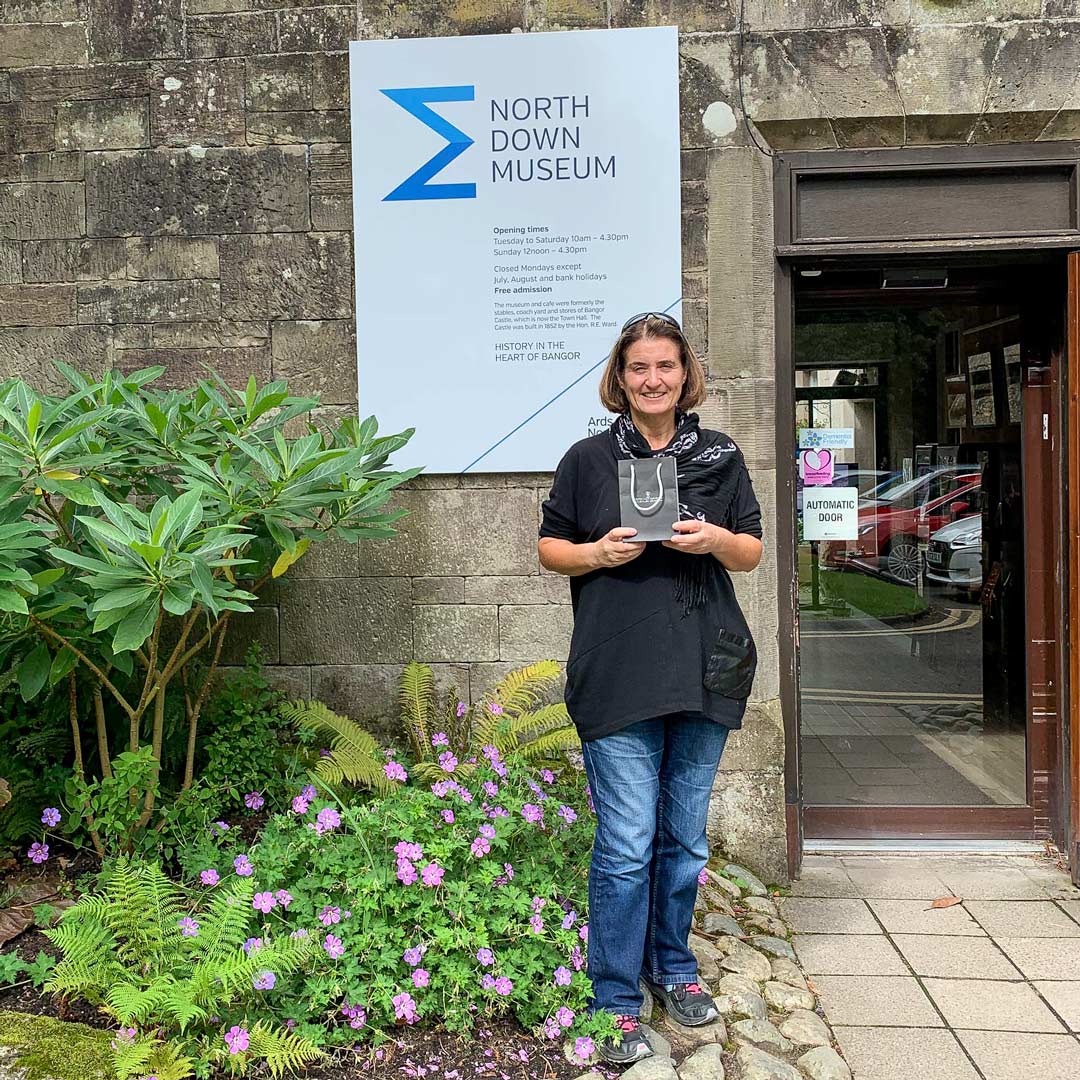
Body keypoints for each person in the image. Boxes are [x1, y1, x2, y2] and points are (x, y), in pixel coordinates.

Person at [538, 312, 763, 1065]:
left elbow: (753, 550)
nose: (653, 379)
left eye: (665, 365)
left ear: (684, 372)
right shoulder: (587, 460)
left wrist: (716, 541)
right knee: (629, 843)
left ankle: (673, 965)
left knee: (684, 838)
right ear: (620, 376)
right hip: (618, 672)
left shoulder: (721, 456)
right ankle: (614, 996)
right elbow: (549, 549)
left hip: (706, 666)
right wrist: (596, 553)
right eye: (639, 367)